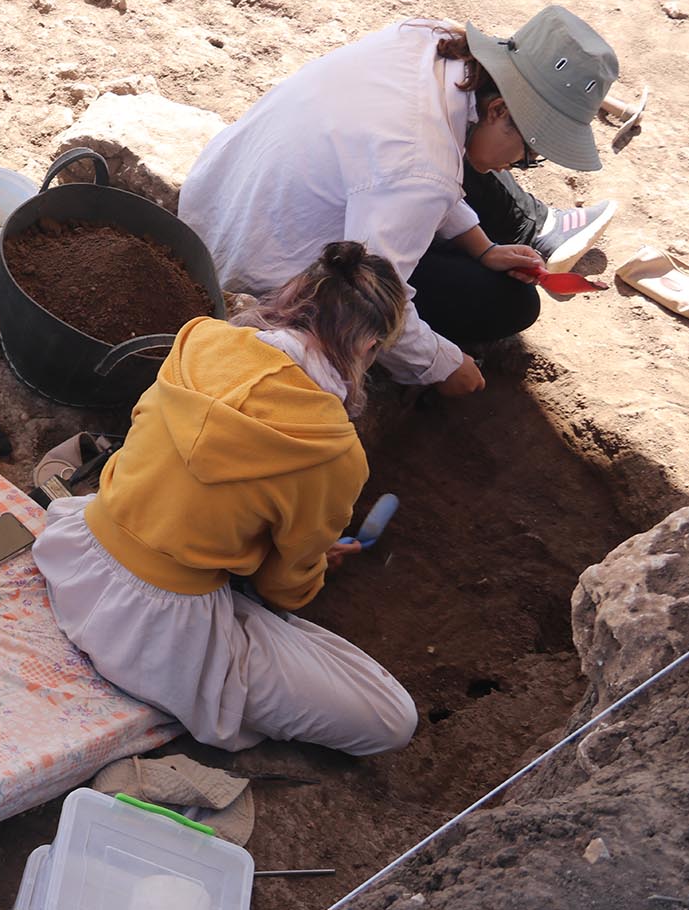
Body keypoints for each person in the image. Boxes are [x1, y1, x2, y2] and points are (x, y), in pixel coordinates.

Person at [33, 241, 418, 756]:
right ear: (368, 346)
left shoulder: (201, 339)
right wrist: (308, 563)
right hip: (162, 634)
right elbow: (284, 590)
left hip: (76, 555)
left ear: (297, 292)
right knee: (392, 716)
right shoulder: (332, 449)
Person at [178, 6, 620, 399]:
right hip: (258, 265)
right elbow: (369, 294)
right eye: (530, 154)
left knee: (466, 184)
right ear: (500, 110)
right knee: (513, 305)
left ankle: (518, 234)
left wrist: (480, 246)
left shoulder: (427, 40)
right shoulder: (420, 169)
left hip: (217, 202)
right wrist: (441, 364)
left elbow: (410, 176)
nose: (517, 166)